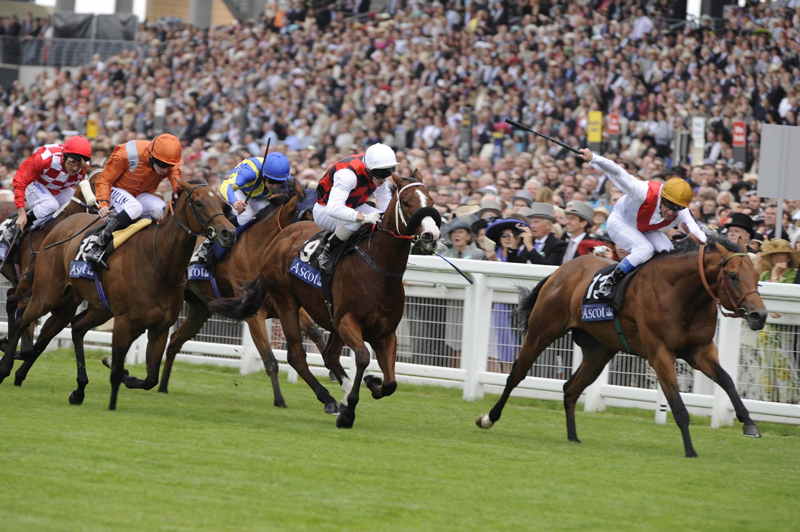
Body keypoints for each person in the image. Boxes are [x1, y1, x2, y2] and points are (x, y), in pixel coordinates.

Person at [578, 148, 706, 298]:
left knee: (669, 252)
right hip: (620, 223)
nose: (672, 212)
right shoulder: (642, 192)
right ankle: (610, 282)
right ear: (662, 198)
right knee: (645, 249)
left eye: (678, 208)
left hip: (646, 229)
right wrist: (594, 158)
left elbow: (697, 233)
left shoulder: (681, 213)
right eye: (670, 206)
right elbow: (617, 172)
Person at [84, 134, 183, 267]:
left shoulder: (169, 160)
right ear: (151, 155)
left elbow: (178, 183)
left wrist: (180, 193)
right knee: (135, 207)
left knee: (161, 209)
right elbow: (105, 180)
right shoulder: (125, 154)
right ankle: (98, 246)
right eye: (162, 165)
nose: (165, 170)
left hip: (140, 195)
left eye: (169, 166)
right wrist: (103, 202)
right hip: (115, 191)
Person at [195, 152, 292, 263]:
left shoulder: (285, 179)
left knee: (270, 217)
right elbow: (226, 186)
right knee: (246, 215)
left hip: (259, 196)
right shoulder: (250, 172)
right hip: (239, 191)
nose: (275, 186)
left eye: (279, 183)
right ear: (264, 175)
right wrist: (235, 202)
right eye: (272, 181)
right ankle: (209, 242)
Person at [314, 143, 395, 273]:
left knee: (384, 220)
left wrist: (389, 218)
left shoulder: (376, 170)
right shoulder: (347, 175)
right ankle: (328, 251)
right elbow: (334, 208)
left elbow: (384, 197)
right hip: (324, 211)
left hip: (354, 206)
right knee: (355, 222)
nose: (384, 178)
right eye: (381, 173)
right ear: (368, 169)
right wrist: (364, 217)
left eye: (389, 172)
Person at [7, 136, 92, 243]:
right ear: (64, 156)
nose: (75, 168)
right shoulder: (45, 157)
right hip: (36, 184)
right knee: (51, 205)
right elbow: (19, 181)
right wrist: (21, 213)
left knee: (76, 207)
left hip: (61, 189)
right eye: (72, 161)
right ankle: (13, 228)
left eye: (80, 164)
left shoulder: (86, 168)